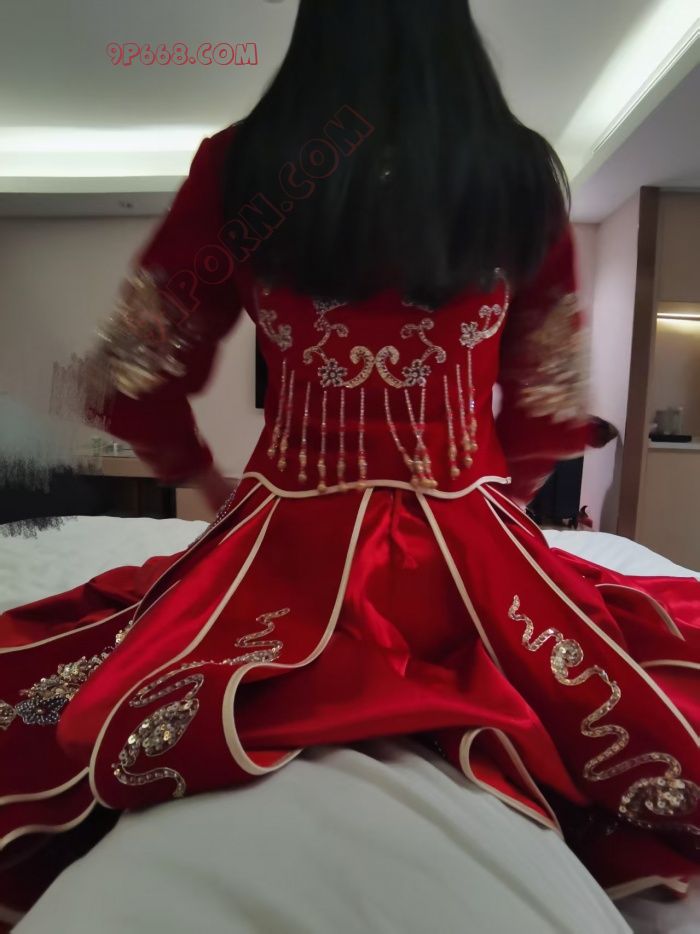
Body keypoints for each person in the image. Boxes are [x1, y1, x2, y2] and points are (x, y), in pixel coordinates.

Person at [1, 0, 697, 921]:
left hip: (284, 544)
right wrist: (511, 507)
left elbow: (135, 374)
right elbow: (547, 402)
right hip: (467, 543)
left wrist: (200, 473)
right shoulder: (518, 171)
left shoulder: (245, 165)